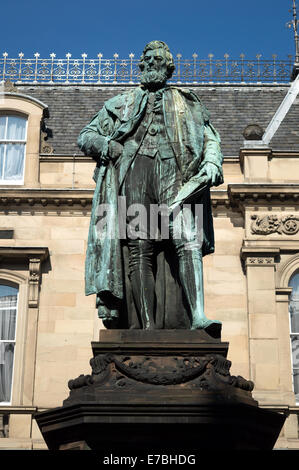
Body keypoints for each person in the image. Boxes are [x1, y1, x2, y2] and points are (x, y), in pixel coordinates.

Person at [78, 41, 224, 335]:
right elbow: (86, 136)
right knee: (140, 249)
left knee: (187, 240)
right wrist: (109, 145)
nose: (153, 63)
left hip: (177, 173)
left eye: (159, 60)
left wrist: (212, 162)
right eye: (148, 59)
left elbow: (210, 137)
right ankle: (145, 326)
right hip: (135, 172)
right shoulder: (121, 103)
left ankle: (198, 316)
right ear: (141, 65)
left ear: (169, 68)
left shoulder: (188, 102)